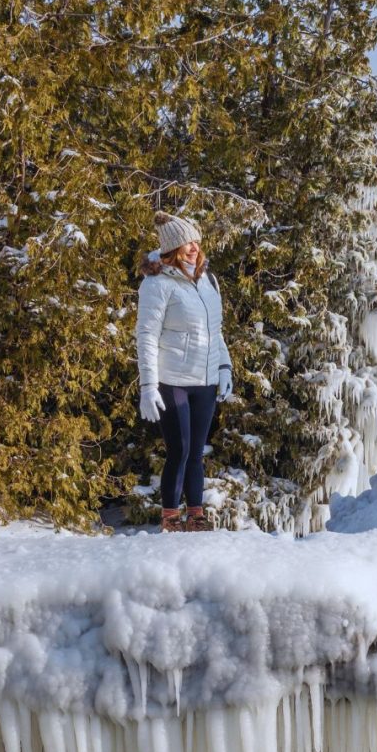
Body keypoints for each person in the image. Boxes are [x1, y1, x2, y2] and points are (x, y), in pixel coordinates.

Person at [135, 212, 233, 532]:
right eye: (185, 243)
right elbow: (147, 335)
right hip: (172, 380)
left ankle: (196, 515)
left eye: (195, 241)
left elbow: (214, 330)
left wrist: (224, 366)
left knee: (196, 453)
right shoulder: (158, 283)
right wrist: (149, 385)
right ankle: (170, 518)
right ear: (172, 249)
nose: (193, 248)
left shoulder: (208, 280)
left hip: (204, 381)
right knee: (180, 450)